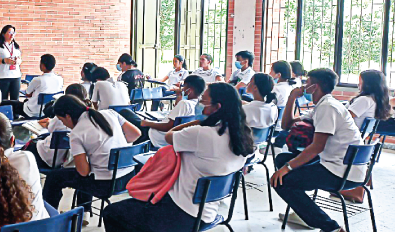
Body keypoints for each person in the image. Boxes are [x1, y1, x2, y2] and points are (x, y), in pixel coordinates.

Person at [102, 82, 254, 232]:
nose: (199, 103)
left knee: (112, 212)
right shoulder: (243, 136)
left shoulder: (202, 133)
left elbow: (169, 136)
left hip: (181, 213)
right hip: (208, 212)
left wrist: (199, 122)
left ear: (217, 107)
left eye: (204, 101)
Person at [271, 68, 363, 232]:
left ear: (315, 87)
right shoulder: (322, 105)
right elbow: (286, 125)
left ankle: (332, 228)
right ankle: (304, 210)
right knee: (283, 158)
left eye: (307, 83)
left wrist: (287, 168)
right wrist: (292, 98)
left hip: (341, 171)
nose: (304, 86)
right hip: (337, 163)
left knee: (282, 182)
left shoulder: (328, 107)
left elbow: (317, 146)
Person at [42, 95, 141, 225]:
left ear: (68, 116)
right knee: (89, 172)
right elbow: (135, 134)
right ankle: (85, 212)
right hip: (129, 177)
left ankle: (49, 219)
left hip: (105, 185)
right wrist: (113, 146)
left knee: (54, 178)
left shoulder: (76, 133)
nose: (63, 124)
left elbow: (83, 172)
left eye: (61, 120)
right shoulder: (109, 113)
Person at [120, 75, 205, 147]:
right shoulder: (199, 106)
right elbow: (177, 111)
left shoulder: (184, 104)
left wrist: (148, 123)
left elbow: (168, 127)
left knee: (125, 112)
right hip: (170, 138)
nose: (182, 89)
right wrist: (179, 94)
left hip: (155, 135)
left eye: (184, 87)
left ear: (189, 90)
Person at [24, 84, 90, 170]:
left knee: (27, 150)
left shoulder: (63, 116)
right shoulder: (88, 116)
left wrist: (49, 123)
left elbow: (52, 128)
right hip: (65, 161)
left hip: (48, 157)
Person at [2, 54, 63, 118]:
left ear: (43, 65)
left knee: (4, 103)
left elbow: (28, 94)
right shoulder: (60, 79)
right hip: (49, 111)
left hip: (32, 111)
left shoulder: (38, 80)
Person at [0, 25, 22, 101]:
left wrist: (18, 61)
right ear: (3, 34)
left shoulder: (16, 46)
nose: (12, 35)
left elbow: (20, 59)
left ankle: (15, 113)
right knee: (3, 99)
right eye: (10, 32)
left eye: (13, 33)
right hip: (2, 77)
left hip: (16, 76)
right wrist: (4, 61)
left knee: (15, 100)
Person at [243, 74, 278, 143]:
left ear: (255, 87)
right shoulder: (273, 107)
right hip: (260, 142)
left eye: (250, 82)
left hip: (244, 145)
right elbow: (257, 107)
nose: (247, 84)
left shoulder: (244, 110)